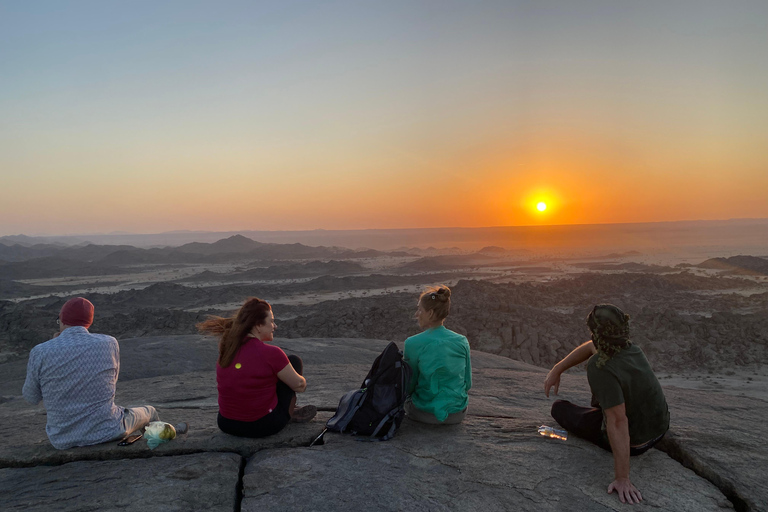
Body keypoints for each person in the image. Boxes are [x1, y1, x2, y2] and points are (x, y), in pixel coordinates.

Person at [544, 304, 670, 505]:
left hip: (636, 443)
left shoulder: (600, 366)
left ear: (595, 332)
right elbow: (590, 346)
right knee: (605, 399)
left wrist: (622, 478)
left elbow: (618, 422)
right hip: (660, 430)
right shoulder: (631, 348)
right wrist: (557, 369)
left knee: (559, 408)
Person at [22, 297, 169, 450]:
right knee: (150, 411)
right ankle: (159, 442)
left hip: (62, 439)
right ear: (89, 322)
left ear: (62, 320)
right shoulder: (109, 343)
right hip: (108, 430)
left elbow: (31, 397)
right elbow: (111, 382)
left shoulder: (40, 351)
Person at [197, 297, 316, 438]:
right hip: (261, 425)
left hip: (226, 423)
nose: (275, 326)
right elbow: (299, 386)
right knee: (293, 361)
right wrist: (301, 381)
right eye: (271, 321)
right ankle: (289, 411)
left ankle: (282, 407)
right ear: (258, 325)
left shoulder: (228, 350)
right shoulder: (272, 353)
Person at [403, 285, 472, 425]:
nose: (416, 314)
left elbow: (409, 385)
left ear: (430, 313)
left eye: (420, 310)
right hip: (457, 414)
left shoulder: (413, 343)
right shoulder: (462, 341)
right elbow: (468, 383)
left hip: (424, 413)